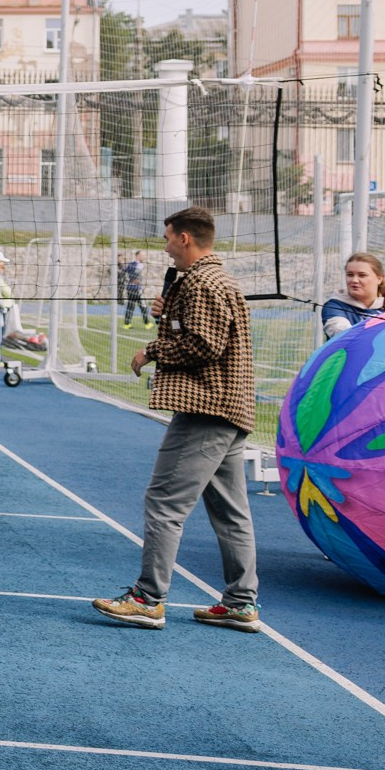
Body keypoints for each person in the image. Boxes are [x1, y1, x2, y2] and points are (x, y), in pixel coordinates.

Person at [96, 206, 261, 633]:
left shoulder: (202, 281)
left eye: (169, 238)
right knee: (230, 513)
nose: (166, 247)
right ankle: (241, 603)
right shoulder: (212, 279)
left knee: (164, 502)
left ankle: (148, 598)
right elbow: (200, 334)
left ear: (185, 238)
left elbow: (204, 344)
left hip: (206, 408)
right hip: (230, 408)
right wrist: (168, 314)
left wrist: (151, 351)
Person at [320, 252, 385, 340]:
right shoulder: (335, 306)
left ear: (379, 279)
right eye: (350, 275)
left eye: (362, 275)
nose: (354, 280)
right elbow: (345, 337)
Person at [119, 251, 150, 327]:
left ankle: (127, 324)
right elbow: (134, 275)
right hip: (136, 288)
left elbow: (123, 272)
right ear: (137, 255)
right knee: (143, 305)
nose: (144, 257)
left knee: (131, 306)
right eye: (142, 255)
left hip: (130, 288)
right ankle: (147, 323)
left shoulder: (131, 264)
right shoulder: (138, 265)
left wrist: (127, 281)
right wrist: (133, 279)